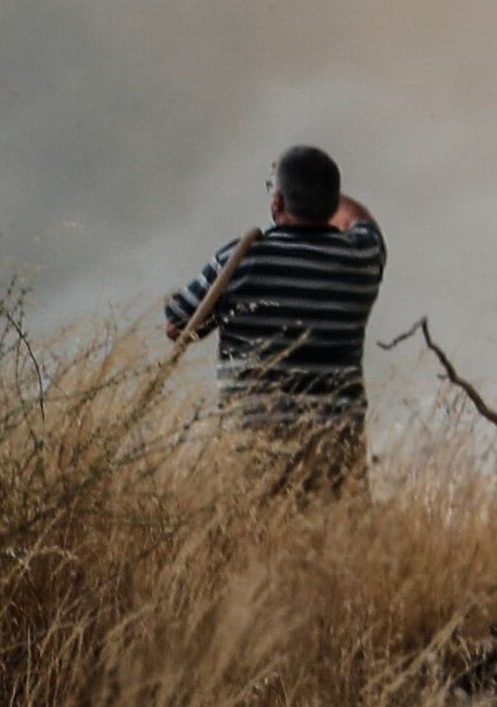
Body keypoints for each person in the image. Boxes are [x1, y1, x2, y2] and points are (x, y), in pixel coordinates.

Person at [161, 144, 387, 493]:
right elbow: (362, 220)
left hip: (252, 446)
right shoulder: (362, 257)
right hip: (337, 446)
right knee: (336, 542)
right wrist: (314, 186)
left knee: (255, 542)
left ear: (278, 203)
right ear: (332, 199)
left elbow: (179, 325)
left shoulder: (240, 259)